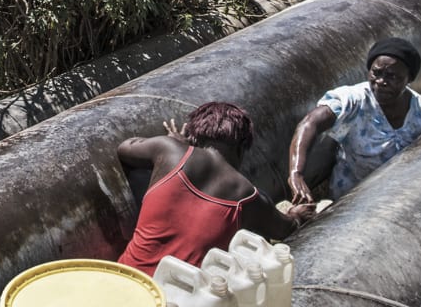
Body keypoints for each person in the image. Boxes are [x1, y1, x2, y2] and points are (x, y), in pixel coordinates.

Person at [117, 102, 311, 275]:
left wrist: (175, 143)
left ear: (194, 136)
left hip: (126, 279)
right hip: (176, 301)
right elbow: (285, 229)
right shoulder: (248, 197)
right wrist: (297, 214)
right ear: (242, 147)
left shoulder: (168, 150)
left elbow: (125, 148)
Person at [286, 37, 421, 205]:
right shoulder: (353, 100)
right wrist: (296, 172)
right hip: (353, 200)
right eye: (376, 72)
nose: (381, 82)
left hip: (402, 198)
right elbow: (310, 124)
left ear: (409, 79)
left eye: (392, 77)